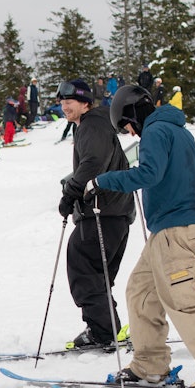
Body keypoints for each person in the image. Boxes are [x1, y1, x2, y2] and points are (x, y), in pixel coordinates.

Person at [89, 85, 195, 388]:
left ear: (134, 113)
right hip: (170, 229)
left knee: (186, 301)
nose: (130, 134)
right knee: (141, 290)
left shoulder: (157, 132)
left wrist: (103, 181)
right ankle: (150, 367)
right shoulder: (173, 130)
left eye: (127, 126)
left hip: (178, 229)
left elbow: (149, 173)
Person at [56, 79, 135, 349]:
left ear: (85, 103)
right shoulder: (92, 125)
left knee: (82, 265)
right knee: (96, 272)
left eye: (70, 102)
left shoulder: (92, 124)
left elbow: (92, 163)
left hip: (104, 210)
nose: (65, 106)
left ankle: (103, 331)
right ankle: (105, 327)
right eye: (62, 102)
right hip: (113, 211)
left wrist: (71, 193)